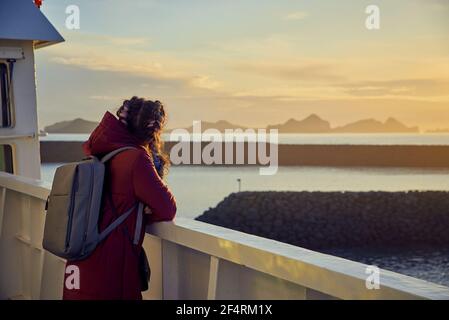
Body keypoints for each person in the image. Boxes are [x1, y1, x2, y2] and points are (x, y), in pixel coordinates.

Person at [63, 96, 177, 300]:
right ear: (151, 131)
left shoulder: (99, 154)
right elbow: (167, 208)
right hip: (111, 272)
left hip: (79, 267)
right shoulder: (136, 159)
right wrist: (142, 215)